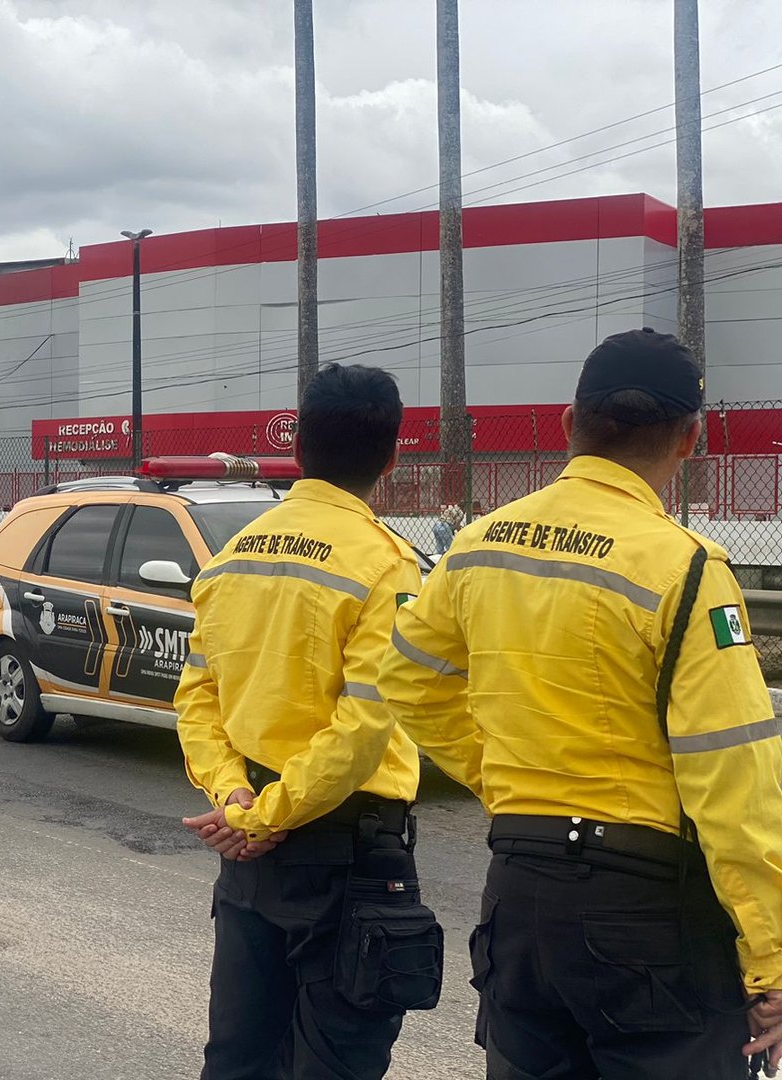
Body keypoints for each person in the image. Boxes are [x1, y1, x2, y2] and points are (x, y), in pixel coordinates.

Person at [377, 328, 782, 1079]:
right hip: (648, 912)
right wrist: (772, 959)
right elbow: (732, 778)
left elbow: (405, 676)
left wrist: (501, 776)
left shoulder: (478, 546)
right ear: (690, 440)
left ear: (569, 423)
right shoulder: (686, 569)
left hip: (519, 895)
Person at [177, 363, 438, 1080]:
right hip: (346, 850)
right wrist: (267, 814)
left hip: (250, 853)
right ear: (392, 457)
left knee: (238, 1059)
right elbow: (364, 727)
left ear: (297, 447)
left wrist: (237, 798)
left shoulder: (232, 558)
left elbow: (197, 697)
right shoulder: (385, 565)